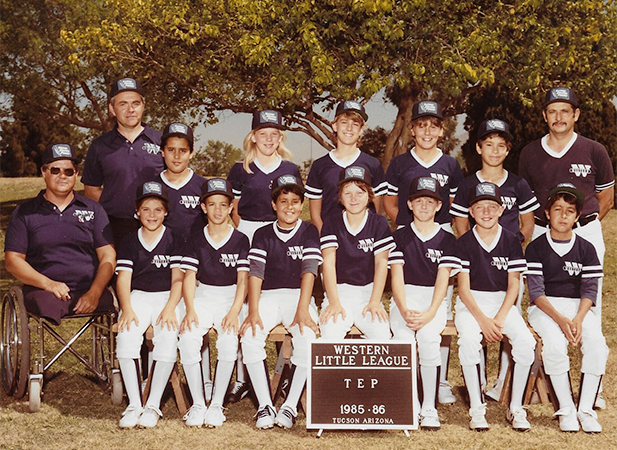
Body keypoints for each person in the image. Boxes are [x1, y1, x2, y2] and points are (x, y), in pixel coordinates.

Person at [519, 87, 614, 409]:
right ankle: (539, 380)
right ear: (544, 115)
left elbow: (605, 197)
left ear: (576, 114)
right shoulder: (530, 152)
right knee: (541, 299)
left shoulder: (594, 149)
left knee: (591, 308)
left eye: (565, 111)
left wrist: (576, 227)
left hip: (584, 230)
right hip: (544, 233)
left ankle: (594, 389)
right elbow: (526, 201)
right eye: (552, 111)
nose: (558, 117)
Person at [450, 119, 539, 401]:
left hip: (508, 263)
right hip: (476, 263)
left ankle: (502, 384)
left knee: (506, 321)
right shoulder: (467, 184)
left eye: (501, 145)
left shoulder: (518, 184)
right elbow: (460, 222)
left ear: (508, 150)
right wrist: (476, 249)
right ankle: (480, 382)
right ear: (478, 147)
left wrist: (512, 244)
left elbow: (527, 223)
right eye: (488, 144)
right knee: (476, 326)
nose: (494, 150)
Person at [384, 100, 464, 404]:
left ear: (441, 130)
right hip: (409, 235)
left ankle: (439, 379)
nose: (427, 131)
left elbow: (455, 206)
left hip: (440, 233)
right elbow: (390, 201)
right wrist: (404, 225)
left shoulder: (450, 164)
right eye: (421, 125)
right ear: (412, 129)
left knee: (439, 310)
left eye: (433, 125)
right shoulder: (401, 163)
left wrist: (450, 234)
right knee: (407, 305)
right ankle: (410, 383)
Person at [226, 110, 301, 403]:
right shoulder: (240, 168)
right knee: (248, 301)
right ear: (253, 136)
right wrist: (242, 232)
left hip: (278, 232)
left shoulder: (291, 168)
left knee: (277, 299)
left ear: (280, 137)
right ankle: (243, 378)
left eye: (274, 134)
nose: (268, 139)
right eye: (262, 133)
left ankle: (284, 374)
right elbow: (233, 207)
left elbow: (292, 204)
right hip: (248, 231)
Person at [239, 175, 321, 430]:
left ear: (302, 204)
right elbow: (256, 274)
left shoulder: (308, 230)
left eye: (295, 201)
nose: (289, 206)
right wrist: (253, 311)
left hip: (300, 295)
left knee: (307, 338)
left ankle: (289, 405)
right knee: (250, 335)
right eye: (283, 201)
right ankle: (265, 404)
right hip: (269, 296)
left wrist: (302, 309)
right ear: (273, 204)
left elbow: (309, 271)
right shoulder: (263, 233)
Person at [453, 182, 536, 431]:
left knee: (525, 343)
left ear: (502, 210)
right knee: (468, 341)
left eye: (492, 206)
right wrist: (483, 321)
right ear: (471, 211)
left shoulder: (511, 241)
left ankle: (516, 408)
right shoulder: (464, 242)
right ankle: (476, 409)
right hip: (472, 305)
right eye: (480, 207)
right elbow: (464, 290)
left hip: (503, 303)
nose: (486, 212)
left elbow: (514, 285)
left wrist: (498, 319)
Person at [526, 183, 608, 433]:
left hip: (579, 307)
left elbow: (590, 291)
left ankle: (585, 409)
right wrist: (562, 321)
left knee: (597, 344)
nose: (563, 216)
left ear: (577, 216)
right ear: (547, 214)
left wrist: (579, 319)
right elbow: (537, 293)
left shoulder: (586, 248)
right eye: (557, 209)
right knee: (554, 344)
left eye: (570, 211)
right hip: (546, 307)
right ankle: (566, 409)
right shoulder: (536, 248)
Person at [5, 144, 115, 325]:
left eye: (68, 171)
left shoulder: (94, 209)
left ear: (76, 174)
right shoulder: (25, 212)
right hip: (44, 290)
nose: (62, 176)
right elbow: (12, 260)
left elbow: (108, 255)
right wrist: (49, 284)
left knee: (108, 301)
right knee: (45, 304)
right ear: (43, 172)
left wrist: (94, 292)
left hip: (88, 288)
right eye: (55, 170)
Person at [178, 178, 250, 428]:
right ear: (203, 207)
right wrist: (189, 309)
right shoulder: (195, 238)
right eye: (212, 204)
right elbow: (189, 277)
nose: (217, 210)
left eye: (223, 204)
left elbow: (243, 281)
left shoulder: (240, 239)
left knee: (229, 340)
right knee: (188, 337)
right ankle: (198, 403)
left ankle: (217, 404)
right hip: (203, 295)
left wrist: (234, 311)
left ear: (231, 207)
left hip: (231, 297)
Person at [389, 176, 458, 430]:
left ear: (439, 206)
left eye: (430, 201)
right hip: (404, 299)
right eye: (419, 201)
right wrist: (405, 309)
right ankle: (410, 404)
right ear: (409, 204)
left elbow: (443, 282)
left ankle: (429, 406)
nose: (425, 206)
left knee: (429, 338)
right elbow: (396, 277)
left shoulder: (448, 239)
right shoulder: (400, 236)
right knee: (403, 341)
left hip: (433, 301)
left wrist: (429, 313)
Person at [115, 181, 184, 428]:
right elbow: (123, 279)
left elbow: (179, 278)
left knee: (166, 335)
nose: (152, 215)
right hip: (139, 296)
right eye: (146, 209)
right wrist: (127, 308)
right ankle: (134, 404)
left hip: (169, 297)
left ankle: (153, 404)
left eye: (157, 209)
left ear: (166, 211)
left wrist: (169, 306)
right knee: (126, 335)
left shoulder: (175, 238)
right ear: (137, 212)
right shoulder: (129, 241)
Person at [82, 77, 163, 245]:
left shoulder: (162, 141)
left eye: (135, 103)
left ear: (143, 106)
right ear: (112, 108)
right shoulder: (99, 146)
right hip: (113, 229)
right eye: (123, 104)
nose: (130, 110)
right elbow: (91, 190)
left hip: (156, 227)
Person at [319, 166, 394, 340]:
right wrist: (334, 302)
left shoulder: (378, 222)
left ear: (369, 195)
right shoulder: (332, 222)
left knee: (381, 334)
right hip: (338, 292)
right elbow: (328, 264)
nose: (354, 199)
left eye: (360, 193)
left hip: (368, 293)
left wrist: (375, 301)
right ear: (340, 197)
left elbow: (381, 263)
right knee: (330, 333)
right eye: (348, 193)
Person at [305, 101, 386, 233]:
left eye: (355, 124)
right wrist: (325, 241)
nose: (349, 128)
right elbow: (315, 215)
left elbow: (376, 211)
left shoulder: (372, 164)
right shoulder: (320, 166)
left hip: (364, 241)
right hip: (331, 239)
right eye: (344, 123)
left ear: (361, 130)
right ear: (334, 126)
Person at [157, 122, 207, 241]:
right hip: (162, 256)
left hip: (195, 255)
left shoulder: (204, 186)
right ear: (162, 151)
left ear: (191, 153)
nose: (177, 156)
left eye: (183, 151)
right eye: (171, 150)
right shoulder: (151, 187)